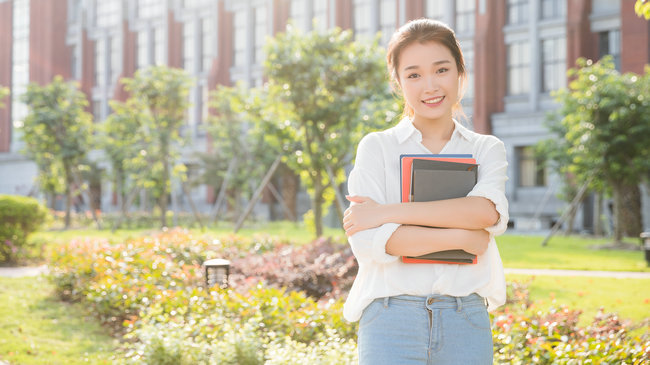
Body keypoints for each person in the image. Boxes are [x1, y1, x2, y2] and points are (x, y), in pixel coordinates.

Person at [342, 18, 509, 364]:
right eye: (414, 75)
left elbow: (484, 213)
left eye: (441, 70)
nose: (430, 85)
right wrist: (465, 237)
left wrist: (386, 212)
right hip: (390, 321)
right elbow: (373, 244)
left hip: (466, 321)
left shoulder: (486, 149)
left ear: (460, 73)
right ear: (398, 82)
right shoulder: (377, 148)